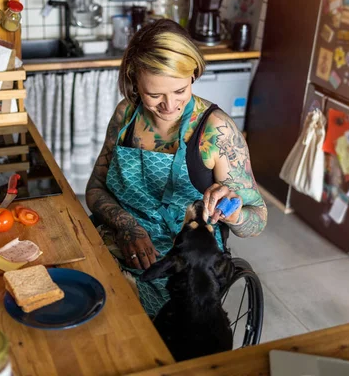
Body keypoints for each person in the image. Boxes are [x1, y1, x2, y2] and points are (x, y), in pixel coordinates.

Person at [86, 19, 267, 316]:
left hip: (182, 264)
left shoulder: (216, 132)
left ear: (193, 74)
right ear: (134, 81)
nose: (169, 105)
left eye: (180, 90)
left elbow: (258, 219)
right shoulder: (126, 115)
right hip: (117, 238)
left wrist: (233, 213)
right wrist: (128, 226)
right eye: (154, 95)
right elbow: (95, 188)